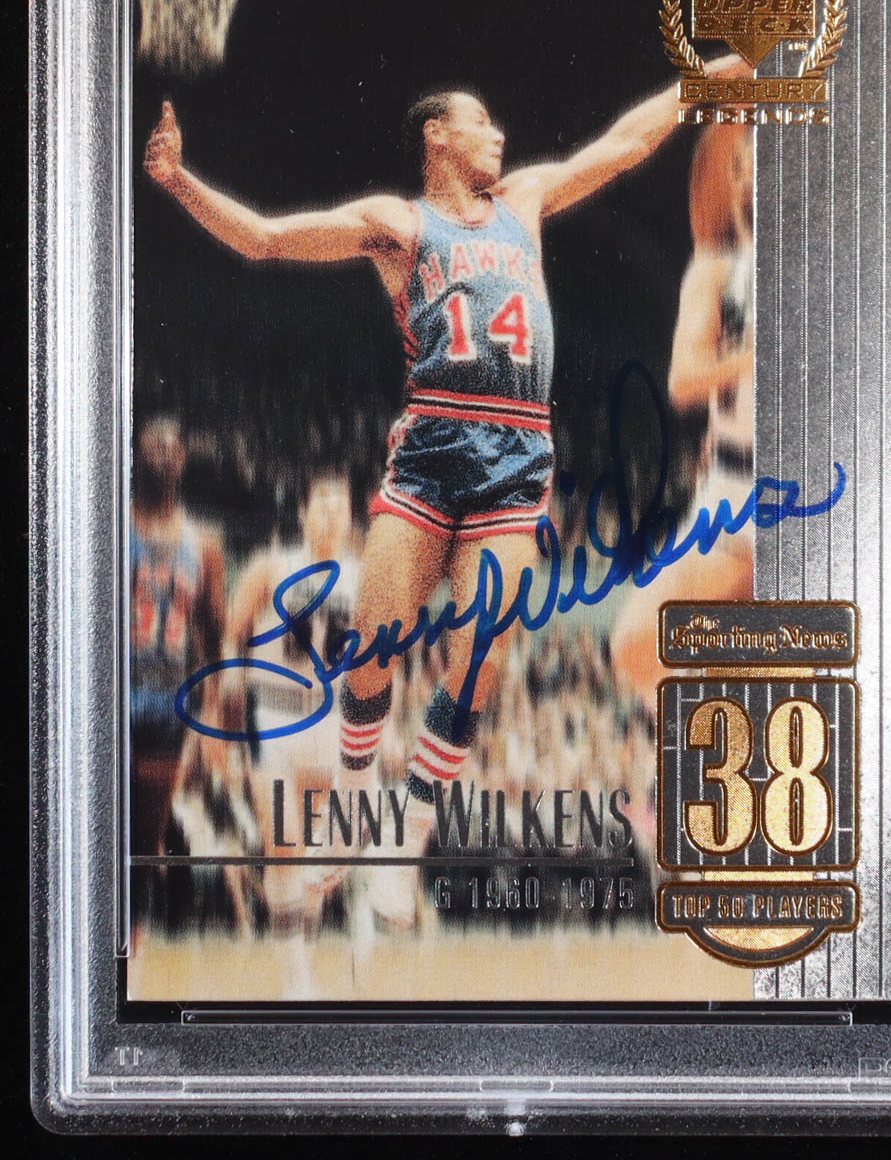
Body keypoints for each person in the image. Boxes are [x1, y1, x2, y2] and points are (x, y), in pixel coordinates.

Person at [144, 64, 744, 925]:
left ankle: (406, 837)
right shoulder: (398, 223)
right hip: (431, 450)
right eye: (482, 122)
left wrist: (708, 80)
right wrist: (179, 182)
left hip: (516, 459)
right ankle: (356, 811)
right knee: (371, 653)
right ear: (438, 136)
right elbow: (266, 239)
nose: (498, 134)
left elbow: (625, 144)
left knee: (479, 664)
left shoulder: (524, 199)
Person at [611, 126, 754, 700]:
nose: (750, 172)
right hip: (733, 485)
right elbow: (683, 381)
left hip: (803, 489)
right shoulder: (720, 269)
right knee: (637, 648)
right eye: (744, 165)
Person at [223, 470, 360, 939]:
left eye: (339, 506)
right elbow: (233, 634)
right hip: (274, 713)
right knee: (283, 846)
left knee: (316, 854)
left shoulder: (362, 579)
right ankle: (294, 970)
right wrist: (229, 699)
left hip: (330, 717)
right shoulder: (270, 566)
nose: (330, 514)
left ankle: (306, 953)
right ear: (302, 512)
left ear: (350, 518)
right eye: (321, 503)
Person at [130, 416, 226, 926]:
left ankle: (132, 949)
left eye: (172, 445)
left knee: (145, 845)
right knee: (102, 830)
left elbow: (215, 640)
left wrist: (208, 721)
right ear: (136, 454)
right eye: (153, 444)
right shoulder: (113, 527)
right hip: (115, 699)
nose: (163, 452)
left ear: (184, 458)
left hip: (167, 705)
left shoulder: (204, 541)